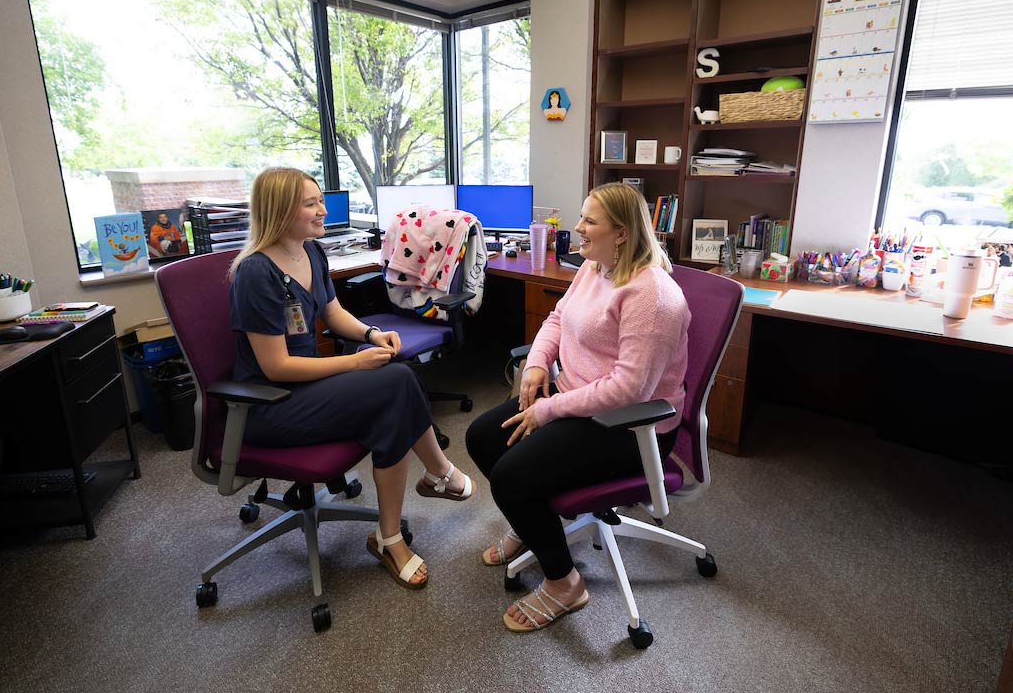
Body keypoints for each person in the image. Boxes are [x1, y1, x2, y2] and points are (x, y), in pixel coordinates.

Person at [229, 167, 474, 590]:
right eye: (312, 203)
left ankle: (390, 535)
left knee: (392, 397)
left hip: (307, 389)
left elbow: (332, 313)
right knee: (394, 383)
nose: (324, 209)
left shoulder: (310, 252)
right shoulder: (255, 273)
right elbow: (277, 368)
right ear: (280, 210)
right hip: (271, 403)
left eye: (319, 200)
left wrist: (370, 334)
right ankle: (437, 474)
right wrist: (355, 363)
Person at [465, 182, 691, 633]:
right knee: (482, 437)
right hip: (577, 398)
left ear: (622, 233)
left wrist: (550, 409)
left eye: (589, 220)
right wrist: (536, 365)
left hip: (630, 427)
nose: (577, 227)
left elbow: (630, 388)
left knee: (512, 477)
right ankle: (534, 526)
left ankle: (566, 584)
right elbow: (556, 319)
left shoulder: (651, 296)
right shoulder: (596, 265)